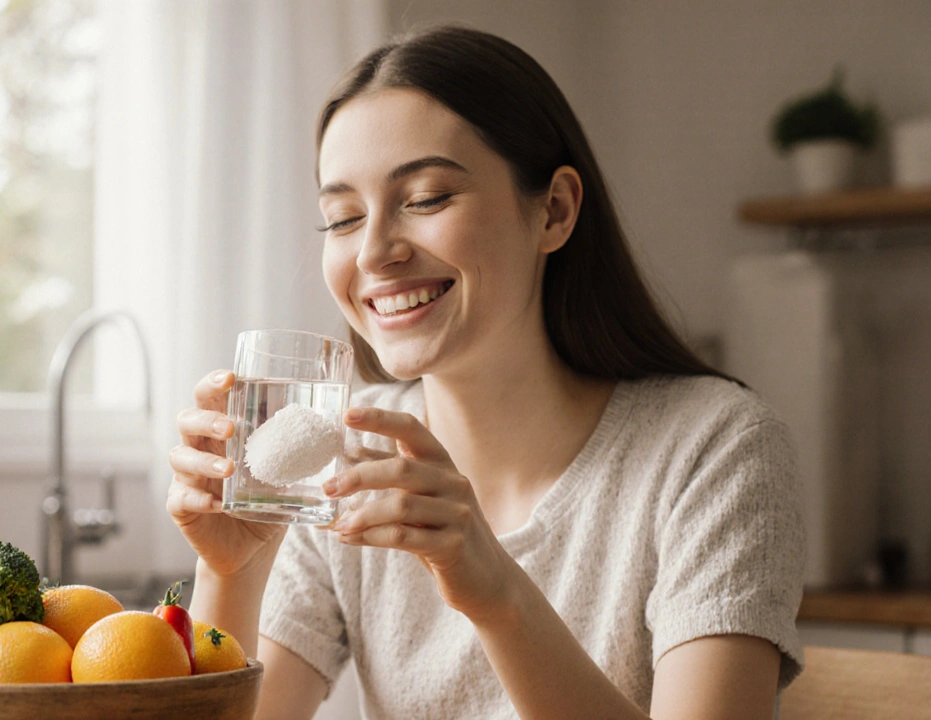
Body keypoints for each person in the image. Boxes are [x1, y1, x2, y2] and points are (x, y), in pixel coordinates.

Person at [167, 25, 804, 720]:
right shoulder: (344, 453)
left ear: (553, 211)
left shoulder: (715, 450)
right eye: (343, 218)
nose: (375, 252)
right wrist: (230, 572)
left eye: (428, 198)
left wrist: (498, 595)